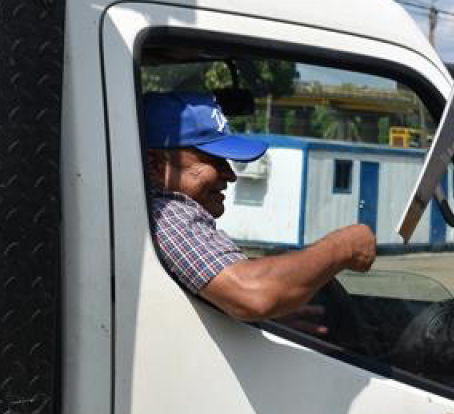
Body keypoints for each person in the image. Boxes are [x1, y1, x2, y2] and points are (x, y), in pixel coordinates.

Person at [143, 91, 376, 323]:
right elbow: (253, 294)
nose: (230, 175)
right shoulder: (166, 212)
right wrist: (343, 247)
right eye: (212, 160)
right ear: (155, 164)